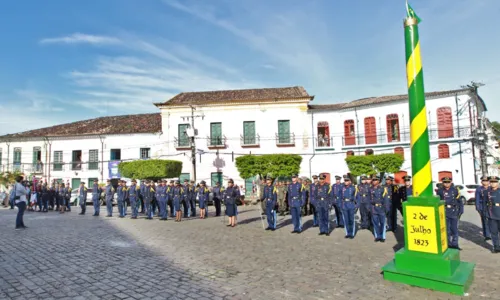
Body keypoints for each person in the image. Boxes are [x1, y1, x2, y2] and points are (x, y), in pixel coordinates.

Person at [437, 177, 463, 250]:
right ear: (443, 183)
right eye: (445, 182)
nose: (447, 183)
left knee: (454, 229)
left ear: (451, 183)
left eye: (448, 182)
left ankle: (455, 244)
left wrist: (461, 210)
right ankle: (448, 244)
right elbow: (438, 201)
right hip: (445, 211)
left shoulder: (455, 190)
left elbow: (459, 201)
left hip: (454, 211)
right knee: (447, 230)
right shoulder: (440, 191)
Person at [370, 176, 390, 242]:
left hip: (381, 208)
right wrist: (370, 208)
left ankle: (382, 236)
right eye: (373, 180)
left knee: (382, 223)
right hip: (374, 208)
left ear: (378, 181)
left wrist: (386, 209)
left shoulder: (383, 189)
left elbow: (386, 199)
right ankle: (377, 236)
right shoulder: (371, 189)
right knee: (375, 223)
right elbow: (368, 199)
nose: (374, 181)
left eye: (376, 180)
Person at [486, 176, 500, 253]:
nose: (492, 183)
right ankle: (496, 247)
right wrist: (485, 213)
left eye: (494, 182)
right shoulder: (487, 192)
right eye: (491, 182)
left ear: (497, 183)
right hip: (491, 214)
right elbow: (485, 203)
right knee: (494, 232)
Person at [476, 176, 491, 241]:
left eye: (486, 181)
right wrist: (478, 208)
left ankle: (492, 233)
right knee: (485, 220)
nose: (485, 182)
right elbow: (477, 199)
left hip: (491, 206)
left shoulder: (491, 188)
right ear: (481, 182)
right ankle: (487, 235)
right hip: (483, 206)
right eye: (484, 181)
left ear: (489, 182)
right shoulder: (479, 189)